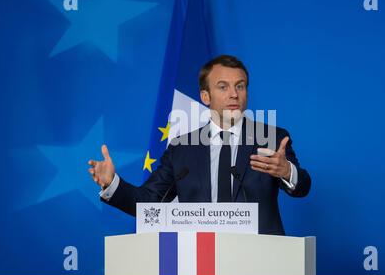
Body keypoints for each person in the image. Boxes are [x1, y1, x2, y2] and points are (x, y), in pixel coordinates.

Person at [88, 55, 311, 235]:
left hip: (262, 260)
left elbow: (302, 187)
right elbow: (149, 203)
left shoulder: (271, 138)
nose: (234, 94)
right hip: (199, 260)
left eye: (240, 86)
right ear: (206, 96)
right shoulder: (182, 148)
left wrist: (287, 171)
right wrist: (112, 184)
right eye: (223, 87)